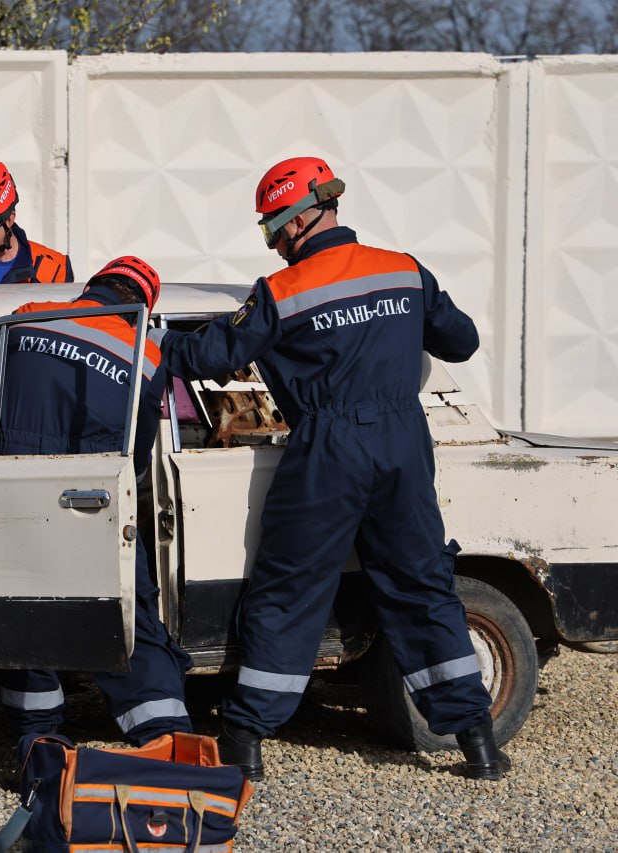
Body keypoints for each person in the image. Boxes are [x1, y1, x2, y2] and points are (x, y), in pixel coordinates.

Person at [148, 156, 510, 781]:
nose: (274, 243)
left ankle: (246, 738)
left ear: (291, 223)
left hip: (329, 448)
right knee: (423, 586)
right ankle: (478, 740)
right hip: (402, 443)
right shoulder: (404, 270)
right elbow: (462, 341)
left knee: (291, 590)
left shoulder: (281, 293)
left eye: (270, 230)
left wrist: (147, 339)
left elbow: (212, 354)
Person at [0, 256, 193, 746]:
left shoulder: (26, 316)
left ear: (91, 288)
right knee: (130, 613)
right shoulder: (145, 354)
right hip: (94, 504)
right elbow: (138, 456)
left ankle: (37, 741)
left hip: (9, 491)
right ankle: (164, 737)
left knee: (26, 608)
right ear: (144, 305)